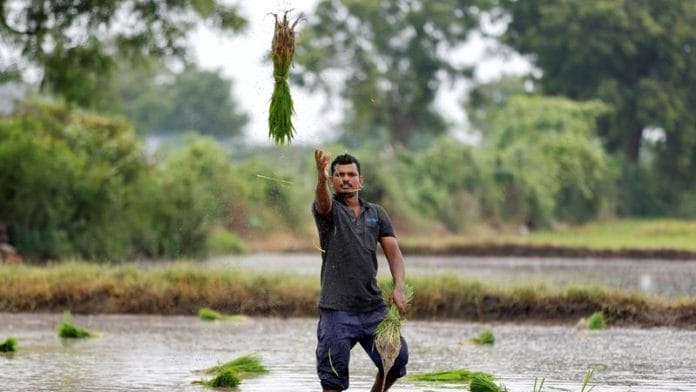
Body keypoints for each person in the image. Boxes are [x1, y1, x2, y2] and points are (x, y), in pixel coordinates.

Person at [312, 149, 409, 392]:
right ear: (333, 180)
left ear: (360, 180)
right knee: (332, 377)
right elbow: (322, 202)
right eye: (339, 174)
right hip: (336, 310)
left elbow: (394, 254)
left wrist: (398, 288)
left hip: (372, 309)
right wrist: (320, 179)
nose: (345, 178)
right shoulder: (329, 211)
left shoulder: (376, 213)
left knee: (396, 361)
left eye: (351, 174)